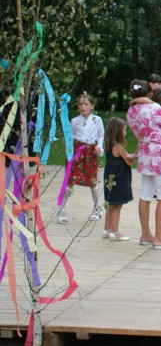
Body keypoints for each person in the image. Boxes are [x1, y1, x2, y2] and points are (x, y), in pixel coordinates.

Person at [127, 79, 161, 250]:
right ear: (150, 93)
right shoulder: (155, 109)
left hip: (144, 154)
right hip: (158, 155)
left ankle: (145, 234)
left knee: (145, 194)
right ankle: (160, 238)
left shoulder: (131, 111)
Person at [60, 93, 105, 224]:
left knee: (93, 181)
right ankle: (62, 209)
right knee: (70, 180)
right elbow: (70, 137)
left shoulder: (97, 120)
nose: (83, 107)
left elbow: (101, 135)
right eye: (80, 104)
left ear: (92, 106)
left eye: (86, 104)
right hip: (77, 152)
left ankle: (97, 208)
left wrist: (99, 147)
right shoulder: (74, 121)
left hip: (90, 152)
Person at [101, 117, 135, 241]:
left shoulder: (109, 146)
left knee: (111, 203)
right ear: (118, 132)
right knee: (117, 205)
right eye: (124, 130)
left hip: (110, 178)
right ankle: (115, 232)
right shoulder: (119, 147)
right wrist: (136, 154)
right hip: (119, 178)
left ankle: (107, 229)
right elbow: (129, 161)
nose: (125, 133)